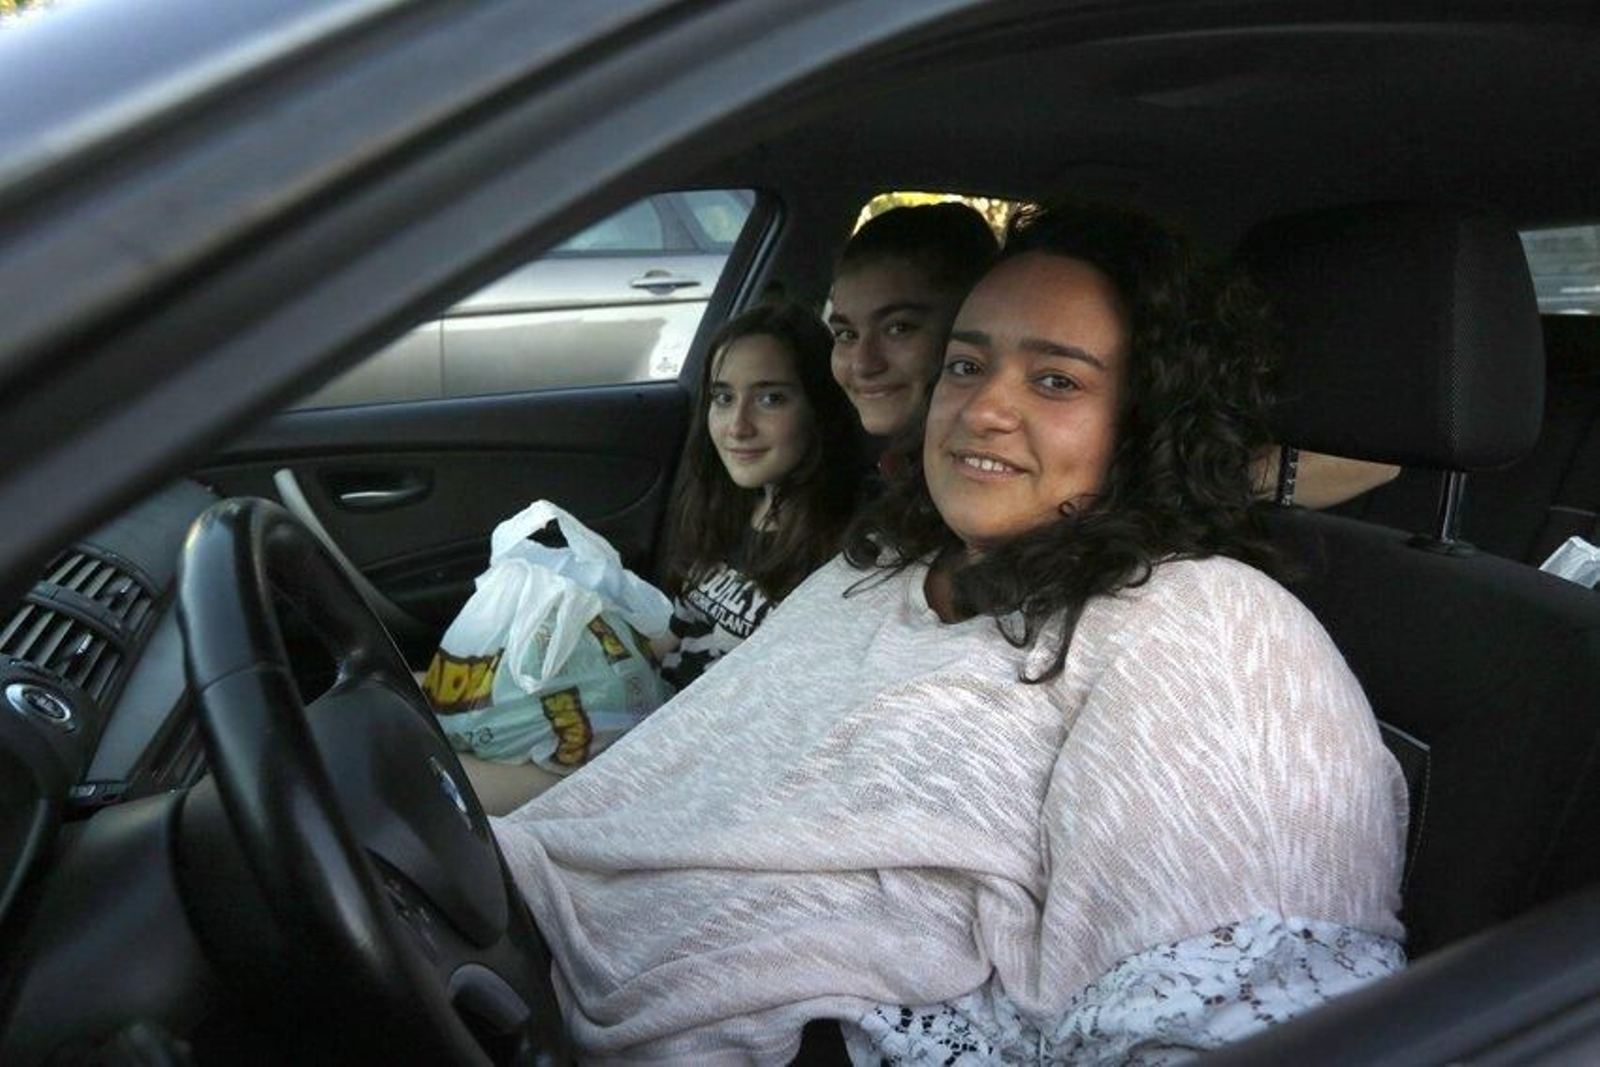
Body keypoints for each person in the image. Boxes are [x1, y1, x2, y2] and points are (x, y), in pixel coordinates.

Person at [493, 201, 1406, 1064]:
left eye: (1056, 380)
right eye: (967, 366)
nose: (982, 409)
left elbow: (1247, 1023)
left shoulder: (1208, 629)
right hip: (527, 946)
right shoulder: (880, 564)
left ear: (1147, 422)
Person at [826, 201, 1397, 505]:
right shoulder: (854, 464)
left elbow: (1379, 459)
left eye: (900, 328)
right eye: (845, 333)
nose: (862, 363)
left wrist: (1200, 475)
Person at [653, 300, 860, 691]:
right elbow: (669, 640)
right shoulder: (726, 507)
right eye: (724, 398)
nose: (738, 426)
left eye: (770, 399)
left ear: (820, 408)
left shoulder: (841, 553)